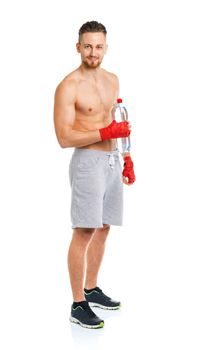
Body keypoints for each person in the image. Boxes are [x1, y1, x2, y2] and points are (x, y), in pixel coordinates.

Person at [53, 20, 135, 329]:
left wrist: (127, 157)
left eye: (98, 46)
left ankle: (91, 287)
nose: (93, 52)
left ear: (105, 48)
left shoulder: (113, 80)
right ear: (78, 47)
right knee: (84, 230)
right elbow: (63, 137)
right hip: (87, 163)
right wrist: (103, 131)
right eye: (87, 46)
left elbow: (120, 122)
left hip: (112, 160)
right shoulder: (68, 86)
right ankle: (77, 304)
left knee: (103, 227)